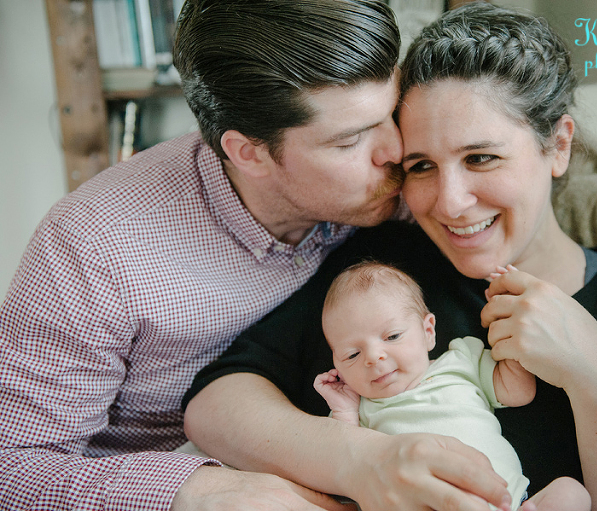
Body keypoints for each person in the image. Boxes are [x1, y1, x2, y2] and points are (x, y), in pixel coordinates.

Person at [184, 3, 597, 511]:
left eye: (481, 158)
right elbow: (217, 400)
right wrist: (362, 459)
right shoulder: (385, 267)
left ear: (558, 146)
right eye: (422, 165)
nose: (449, 202)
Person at [0, 1, 413, 509]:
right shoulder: (94, 247)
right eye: (351, 141)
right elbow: (12, 468)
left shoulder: (402, 180)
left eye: (391, 111)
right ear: (250, 153)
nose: (397, 150)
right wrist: (199, 491)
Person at [314, 261, 591, 511]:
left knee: (571, 492)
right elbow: (345, 472)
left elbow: (517, 392)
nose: (374, 357)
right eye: (352, 354)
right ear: (336, 365)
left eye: (393, 336)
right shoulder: (359, 409)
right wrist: (344, 412)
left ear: (428, 331)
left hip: (510, 501)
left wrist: (511, 337)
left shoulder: (461, 361)